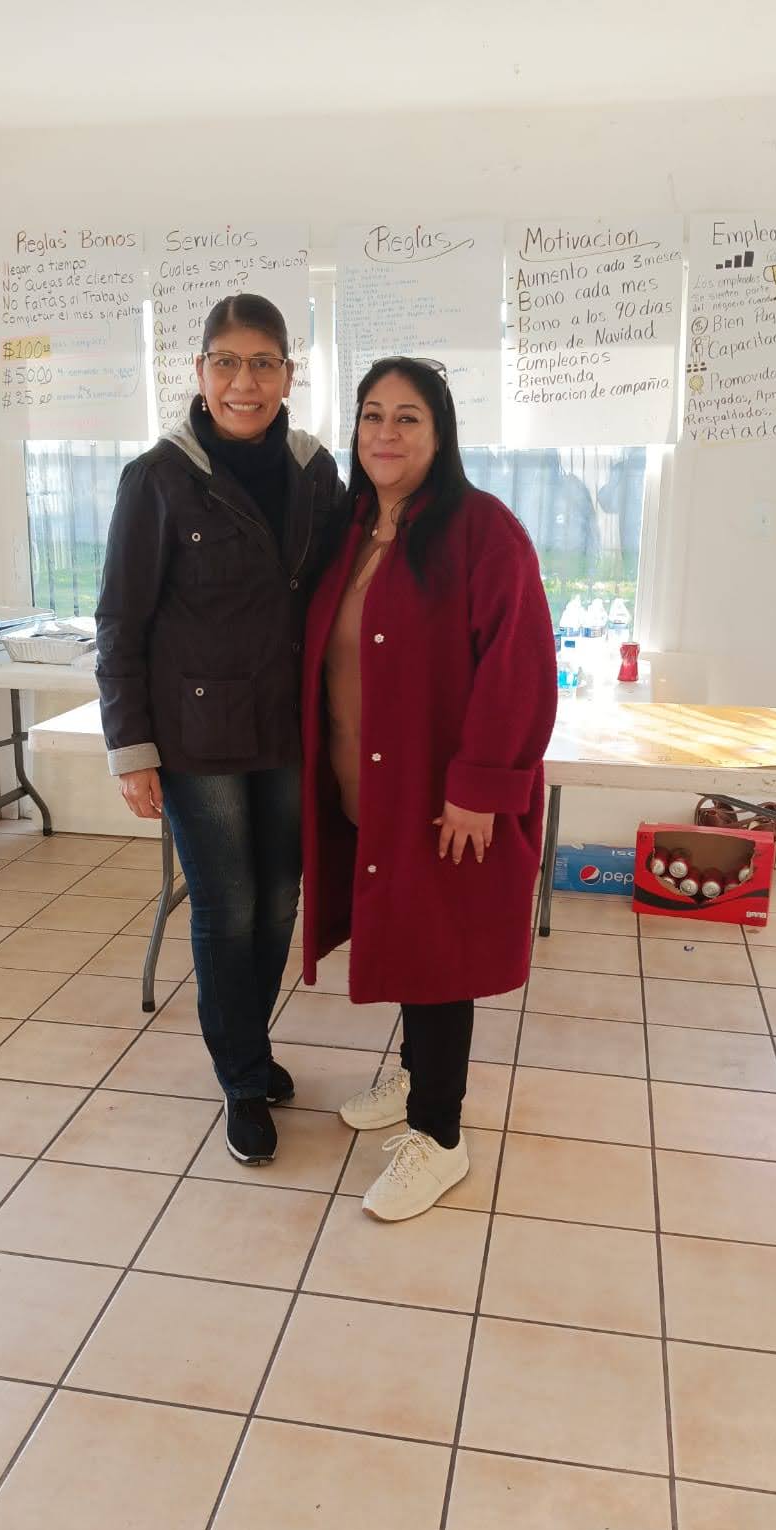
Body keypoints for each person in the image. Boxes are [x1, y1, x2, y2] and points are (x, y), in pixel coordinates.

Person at [300, 357, 557, 1221]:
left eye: (408, 417)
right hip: (363, 789)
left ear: (440, 434)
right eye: (372, 414)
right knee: (409, 936)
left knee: (440, 956)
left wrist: (481, 784)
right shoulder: (352, 528)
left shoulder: (483, 531)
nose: (386, 433)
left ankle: (440, 1136)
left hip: (439, 797)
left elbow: (519, 666)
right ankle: (416, 1078)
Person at [96, 294, 341, 1165]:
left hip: (290, 729)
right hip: (197, 738)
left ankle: (251, 1043)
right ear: (200, 372)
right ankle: (240, 1075)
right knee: (228, 904)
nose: (246, 382)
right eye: (228, 362)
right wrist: (131, 749)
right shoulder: (158, 477)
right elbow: (120, 622)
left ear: (288, 374)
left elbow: (342, 588)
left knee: (279, 898)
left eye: (264, 363)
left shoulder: (315, 470)